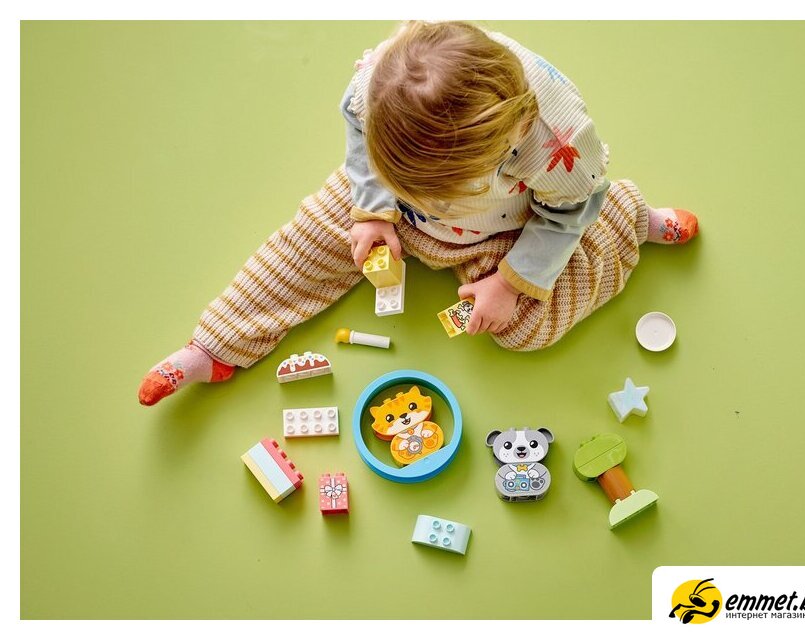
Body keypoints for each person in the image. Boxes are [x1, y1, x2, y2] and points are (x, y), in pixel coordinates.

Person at [138, 20, 698, 407]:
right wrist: (373, 209)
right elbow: (358, 132)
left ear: (513, 136)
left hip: (507, 229)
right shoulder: (382, 81)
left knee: (525, 326)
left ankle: (627, 219)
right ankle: (215, 346)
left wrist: (509, 282)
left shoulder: (560, 146)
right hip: (391, 196)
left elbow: (567, 212)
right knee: (309, 236)